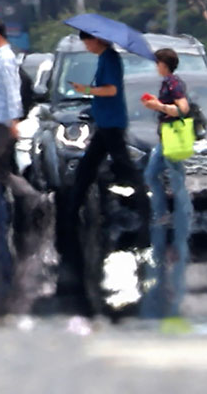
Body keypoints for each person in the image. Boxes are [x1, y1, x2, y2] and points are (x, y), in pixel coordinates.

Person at [60, 30, 148, 317]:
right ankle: (71, 210)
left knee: (123, 165)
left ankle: (145, 203)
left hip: (111, 122)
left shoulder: (109, 58)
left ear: (96, 40)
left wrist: (86, 89)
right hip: (106, 121)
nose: (86, 46)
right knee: (88, 167)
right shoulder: (104, 58)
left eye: (87, 41)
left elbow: (111, 90)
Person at [0, 18, 38, 319]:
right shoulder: (1, 59)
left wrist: (13, 122)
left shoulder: (5, 59)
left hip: (3, 125)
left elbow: (12, 92)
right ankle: (23, 200)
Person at [140, 48, 192, 321]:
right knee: (153, 174)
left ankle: (180, 213)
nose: (156, 67)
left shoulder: (173, 83)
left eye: (157, 63)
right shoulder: (166, 83)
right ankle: (163, 212)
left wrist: (158, 107)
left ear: (164, 64)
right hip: (164, 138)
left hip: (172, 136)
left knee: (173, 176)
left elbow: (182, 108)